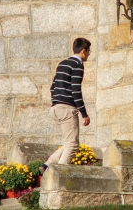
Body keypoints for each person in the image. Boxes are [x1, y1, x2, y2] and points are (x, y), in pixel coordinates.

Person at [40, 37, 91, 173]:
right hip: (67, 109)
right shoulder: (77, 65)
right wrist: (84, 113)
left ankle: (47, 165)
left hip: (56, 108)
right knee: (73, 146)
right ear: (83, 51)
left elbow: (52, 88)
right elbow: (75, 90)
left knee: (69, 143)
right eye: (88, 51)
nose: (89, 54)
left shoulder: (62, 64)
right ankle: (58, 176)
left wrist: (57, 103)